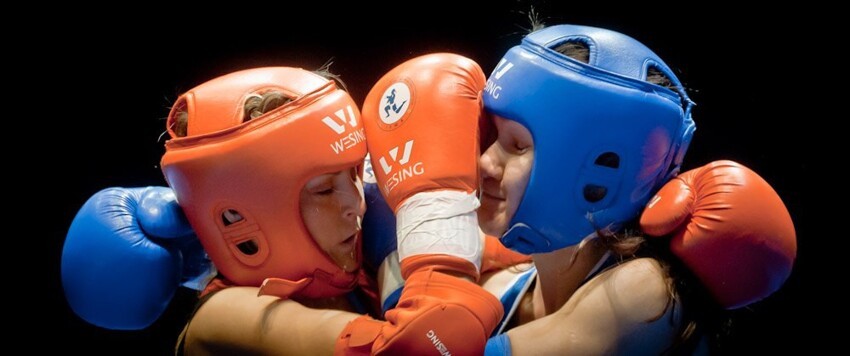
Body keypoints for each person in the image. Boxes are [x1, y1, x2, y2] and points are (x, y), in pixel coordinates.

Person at [62, 64, 524, 355]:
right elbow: (422, 348)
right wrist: (434, 215)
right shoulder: (224, 318)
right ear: (242, 218)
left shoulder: (364, 255)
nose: (354, 204)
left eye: (353, 174)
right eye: (324, 189)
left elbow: (523, 284)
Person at [476, 24, 797, 354]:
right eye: (489, 134)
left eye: (517, 145)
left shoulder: (645, 292)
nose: (485, 162)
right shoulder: (499, 285)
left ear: (602, 170)